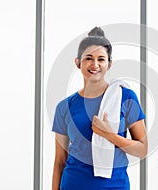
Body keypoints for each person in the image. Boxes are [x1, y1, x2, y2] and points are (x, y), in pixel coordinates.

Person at [51, 27, 147, 190]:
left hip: (114, 186)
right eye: (89, 58)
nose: (95, 65)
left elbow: (142, 149)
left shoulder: (126, 97)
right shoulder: (64, 106)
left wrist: (109, 135)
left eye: (101, 59)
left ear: (109, 64)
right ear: (78, 62)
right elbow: (60, 161)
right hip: (73, 184)